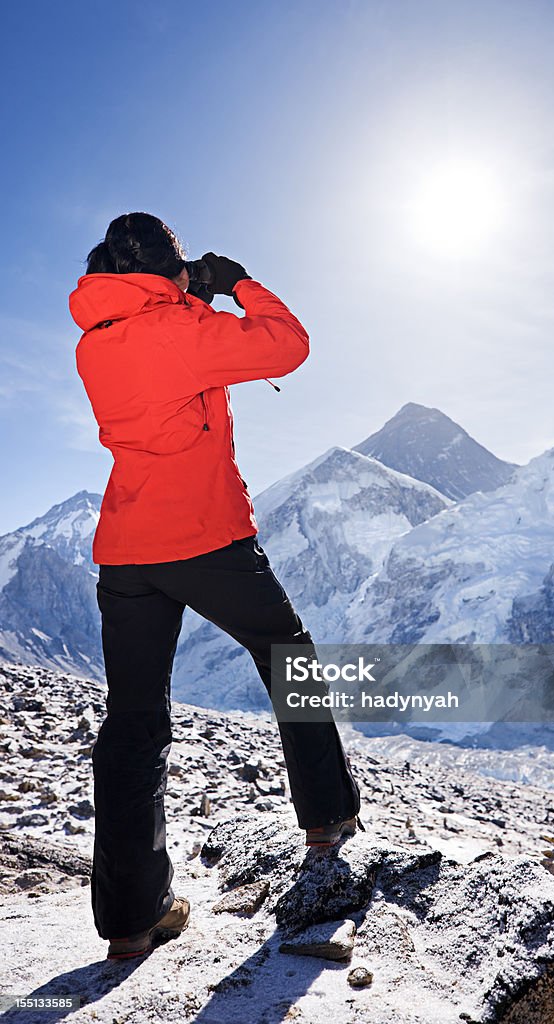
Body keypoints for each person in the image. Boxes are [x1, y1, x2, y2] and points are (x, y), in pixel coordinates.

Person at [69, 212, 362, 961]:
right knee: (287, 654)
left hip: (127, 548)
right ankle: (326, 820)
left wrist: (182, 292)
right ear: (167, 274)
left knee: (133, 720)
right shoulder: (181, 330)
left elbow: (160, 336)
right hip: (203, 536)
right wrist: (234, 284)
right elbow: (286, 347)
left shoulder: (95, 339)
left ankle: (132, 920)